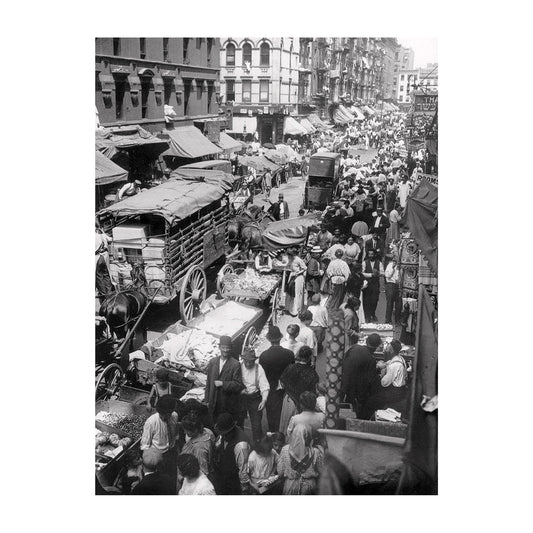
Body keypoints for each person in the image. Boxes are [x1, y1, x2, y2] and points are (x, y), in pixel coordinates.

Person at [259, 326, 295, 433]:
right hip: (286, 390)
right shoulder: (289, 354)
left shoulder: (264, 356)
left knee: (272, 414)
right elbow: (291, 372)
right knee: (285, 414)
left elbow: (262, 376)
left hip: (271, 389)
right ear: (280, 339)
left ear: (269, 340)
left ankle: (273, 434)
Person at [278, 346, 320, 434]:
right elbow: (313, 392)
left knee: (286, 427)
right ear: (309, 357)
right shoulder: (312, 373)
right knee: (299, 430)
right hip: (304, 404)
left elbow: (282, 382)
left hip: (289, 401)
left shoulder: (290, 367)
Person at [341, 333, 382, 419]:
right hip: (355, 390)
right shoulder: (371, 359)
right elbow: (369, 380)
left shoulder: (354, 348)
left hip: (342, 382)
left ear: (366, 341)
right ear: (377, 347)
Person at [140, 395, 180, 484]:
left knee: (172, 479)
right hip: (157, 457)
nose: (164, 417)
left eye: (167, 414)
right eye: (162, 415)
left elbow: (175, 434)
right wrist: (149, 464)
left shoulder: (175, 416)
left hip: (171, 453)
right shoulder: (151, 422)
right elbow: (145, 446)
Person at [204, 336, 244, 422]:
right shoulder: (212, 362)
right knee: (213, 424)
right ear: (219, 347)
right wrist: (207, 399)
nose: (225, 350)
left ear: (231, 348)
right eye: (223, 347)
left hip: (226, 403)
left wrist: (223, 384)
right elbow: (208, 382)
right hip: (213, 402)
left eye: (227, 348)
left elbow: (238, 384)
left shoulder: (235, 364)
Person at [277, 423, 324, 495]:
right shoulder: (315, 452)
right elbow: (322, 471)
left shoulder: (285, 450)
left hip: (290, 486)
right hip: (309, 488)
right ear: (308, 437)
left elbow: (280, 472)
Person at [366, 340, 408, 415]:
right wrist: (385, 364)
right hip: (402, 390)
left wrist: (382, 371)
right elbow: (389, 363)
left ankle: (372, 417)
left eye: (387, 349)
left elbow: (384, 383)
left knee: (371, 400)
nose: (385, 351)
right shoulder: (400, 358)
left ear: (391, 351)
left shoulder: (394, 366)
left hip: (395, 393)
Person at [213, 413, 251, 495]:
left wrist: (244, 489)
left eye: (223, 433)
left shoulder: (241, 445)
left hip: (234, 482)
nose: (222, 435)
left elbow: (243, 469)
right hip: (224, 477)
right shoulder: (224, 435)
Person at [238, 348, 270, 443]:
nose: (248, 364)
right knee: (239, 421)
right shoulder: (238, 366)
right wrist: (240, 390)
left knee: (256, 424)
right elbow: (234, 382)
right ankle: (241, 443)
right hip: (242, 398)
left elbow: (264, 386)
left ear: (254, 360)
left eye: (250, 362)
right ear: (243, 359)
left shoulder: (259, 368)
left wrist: (264, 400)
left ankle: (258, 443)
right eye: (246, 361)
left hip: (255, 398)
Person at [180, 412, 216, 478]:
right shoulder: (206, 432)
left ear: (195, 430)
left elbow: (203, 472)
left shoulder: (199, 448)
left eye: (187, 430)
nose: (184, 432)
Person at [361, 249, 383, 323]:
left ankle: (372, 314)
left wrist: (378, 273)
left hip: (375, 284)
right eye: (369, 254)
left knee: (374, 300)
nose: (371, 256)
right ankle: (367, 316)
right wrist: (371, 275)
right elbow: (362, 273)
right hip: (367, 284)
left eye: (372, 254)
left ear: (375, 255)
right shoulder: (364, 263)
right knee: (366, 300)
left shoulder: (379, 263)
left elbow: (382, 273)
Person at [285, 249, 307, 316]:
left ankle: (295, 310)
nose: (289, 258)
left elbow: (305, 268)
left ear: (293, 255)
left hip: (298, 278)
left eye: (290, 256)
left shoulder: (298, 260)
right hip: (292, 277)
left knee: (296, 294)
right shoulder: (290, 259)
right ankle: (289, 308)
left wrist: (297, 273)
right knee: (290, 293)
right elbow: (288, 265)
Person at [384, 255, 402, 325]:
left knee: (399, 304)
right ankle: (388, 320)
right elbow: (387, 275)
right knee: (389, 303)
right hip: (390, 284)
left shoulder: (401, 266)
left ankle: (397, 320)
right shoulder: (390, 265)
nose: (396, 260)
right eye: (395, 259)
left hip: (399, 286)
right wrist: (393, 268)